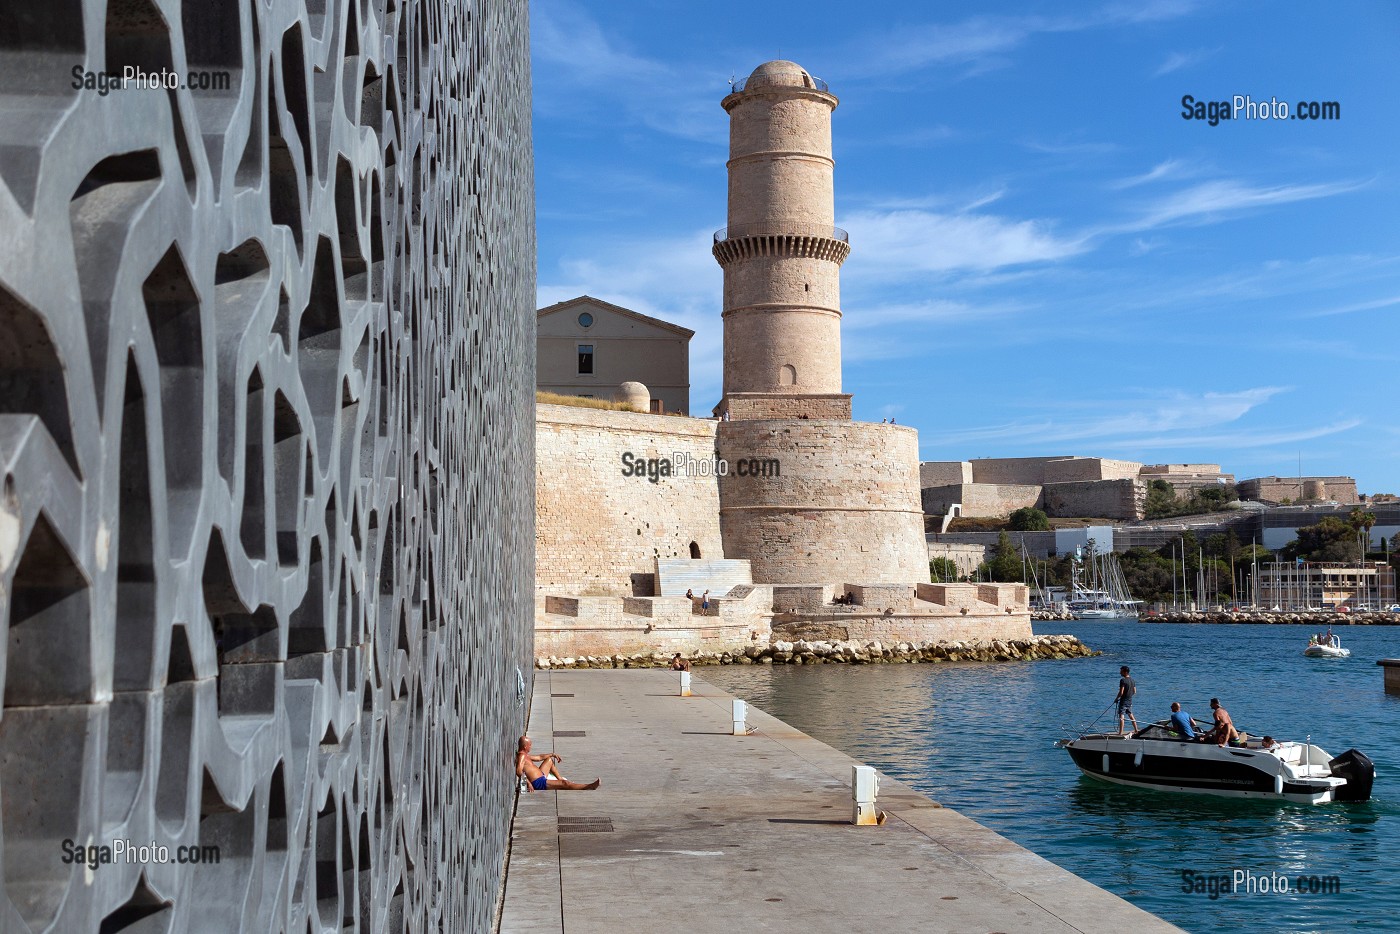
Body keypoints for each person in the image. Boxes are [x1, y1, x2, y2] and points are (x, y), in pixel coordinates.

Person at [516, 736, 599, 791]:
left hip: (541, 776)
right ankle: (588, 786)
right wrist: (528, 783)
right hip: (539, 782)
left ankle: (559, 778)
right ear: (525, 747)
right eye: (530, 745)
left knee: (549, 760)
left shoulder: (525, 755)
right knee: (565, 784)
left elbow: (539, 757)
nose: (531, 747)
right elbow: (518, 771)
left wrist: (552, 754)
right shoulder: (522, 756)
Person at [1114, 666, 1138, 734]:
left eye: (1121, 671)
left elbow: (1121, 692)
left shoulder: (1123, 680)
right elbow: (1134, 691)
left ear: (1125, 672)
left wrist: (1116, 699)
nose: (1120, 672)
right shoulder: (1132, 680)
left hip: (1123, 701)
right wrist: (1129, 695)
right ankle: (1136, 729)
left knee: (1121, 716)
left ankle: (1120, 732)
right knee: (1130, 714)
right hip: (1129, 700)